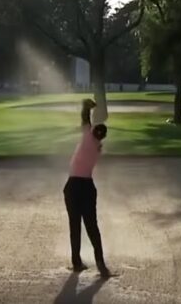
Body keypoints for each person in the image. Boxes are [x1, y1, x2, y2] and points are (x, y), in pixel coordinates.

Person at [63, 99, 111, 278]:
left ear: (93, 132)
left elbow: (84, 119)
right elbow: (87, 124)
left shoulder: (87, 137)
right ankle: (101, 264)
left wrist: (86, 107)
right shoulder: (97, 147)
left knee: (74, 226)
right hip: (87, 187)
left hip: (72, 186)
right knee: (92, 226)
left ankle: (76, 262)